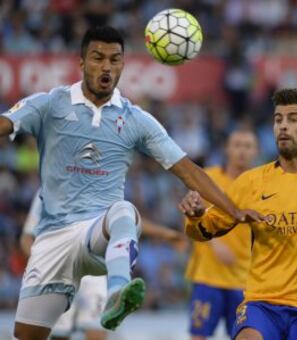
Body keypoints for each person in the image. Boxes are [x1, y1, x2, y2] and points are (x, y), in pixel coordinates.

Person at [0, 26, 263, 340]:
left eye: (115, 59)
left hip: (98, 234)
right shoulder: (50, 104)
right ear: (82, 62)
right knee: (27, 335)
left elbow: (188, 171)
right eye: (98, 58)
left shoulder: (137, 119)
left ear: (123, 65)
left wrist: (233, 210)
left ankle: (118, 291)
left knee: (124, 211)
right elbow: (5, 123)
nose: (106, 66)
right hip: (52, 238)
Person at [180, 88, 297, 340]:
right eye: (278, 120)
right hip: (261, 304)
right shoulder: (251, 182)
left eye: (293, 118)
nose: (283, 126)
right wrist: (196, 215)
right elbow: (203, 231)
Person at [20, 190, 187, 340]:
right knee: (59, 335)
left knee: (97, 333)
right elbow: (26, 238)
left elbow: (124, 220)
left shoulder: (101, 183)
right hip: (61, 273)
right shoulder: (48, 188)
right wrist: (46, 265)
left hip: (93, 275)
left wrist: (165, 234)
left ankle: (115, 292)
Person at [186, 128, 258, 339]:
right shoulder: (209, 178)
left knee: (242, 335)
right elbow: (191, 215)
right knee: (198, 335)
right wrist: (213, 242)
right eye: (237, 145)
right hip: (208, 276)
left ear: (256, 151)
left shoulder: (260, 184)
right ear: (227, 148)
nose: (242, 151)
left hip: (244, 279)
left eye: (247, 146)